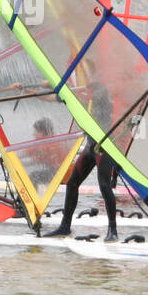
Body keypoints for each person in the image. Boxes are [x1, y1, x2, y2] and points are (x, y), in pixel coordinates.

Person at [43, 82, 119, 241]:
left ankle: (113, 230)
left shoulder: (107, 105)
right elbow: (57, 98)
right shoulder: (89, 103)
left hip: (104, 148)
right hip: (90, 147)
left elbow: (77, 96)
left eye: (92, 92)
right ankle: (65, 226)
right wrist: (32, 90)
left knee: (104, 186)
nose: (90, 95)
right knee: (72, 183)